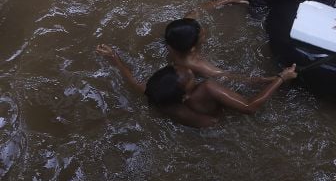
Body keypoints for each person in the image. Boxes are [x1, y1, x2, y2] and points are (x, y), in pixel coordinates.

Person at [96, 44, 297, 128]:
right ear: (184, 95)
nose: (190, 71)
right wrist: (281, 77)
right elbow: (250, 107)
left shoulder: (157, 94)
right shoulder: (207, 88)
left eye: (178, 69)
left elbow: (132, 81)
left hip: (196, 127)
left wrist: (114, 58)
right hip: (217, 125)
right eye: (188, 78)